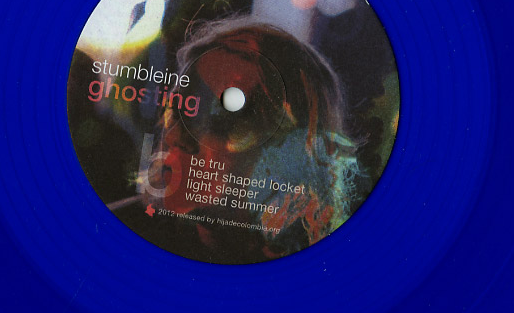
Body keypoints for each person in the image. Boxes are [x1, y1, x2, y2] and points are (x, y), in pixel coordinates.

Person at [136, 20, 364, 263]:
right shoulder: (130, 232)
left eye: (219, 121)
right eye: (177, 110)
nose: (174, 137)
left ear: (292, 151)